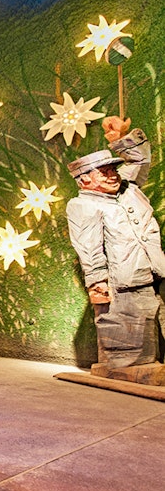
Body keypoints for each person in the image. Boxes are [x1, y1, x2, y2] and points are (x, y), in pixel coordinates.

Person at [65, 117, 165, 376]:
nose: (112, 175)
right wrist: (97, 284)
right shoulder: (83, 205)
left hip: (157, 270)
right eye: (104, 172)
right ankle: (128, 369)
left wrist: (120, 139)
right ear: (84, 180)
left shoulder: (128, 188)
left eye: (113, 170)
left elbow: (140, 160)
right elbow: (89, 248)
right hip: (125, 280)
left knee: (155, 319)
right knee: (127, 331)